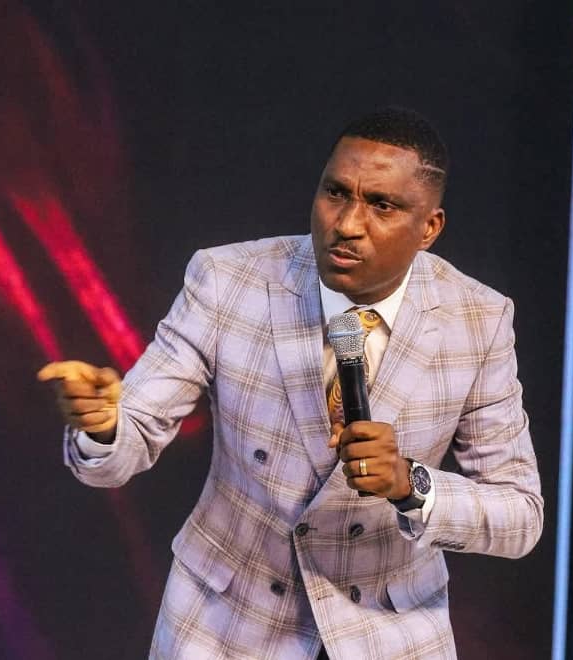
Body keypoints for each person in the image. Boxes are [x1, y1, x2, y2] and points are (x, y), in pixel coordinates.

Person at [38, 107, 543, 659]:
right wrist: (105, 425)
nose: (347, 224)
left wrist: (409, 484)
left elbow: (519, 516)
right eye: (335, 193)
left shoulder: (477, 320)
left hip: (387, 635)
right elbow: (128, 439)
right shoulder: (228, 281)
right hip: (226, 626)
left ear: (429, 228)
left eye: (382, 205)